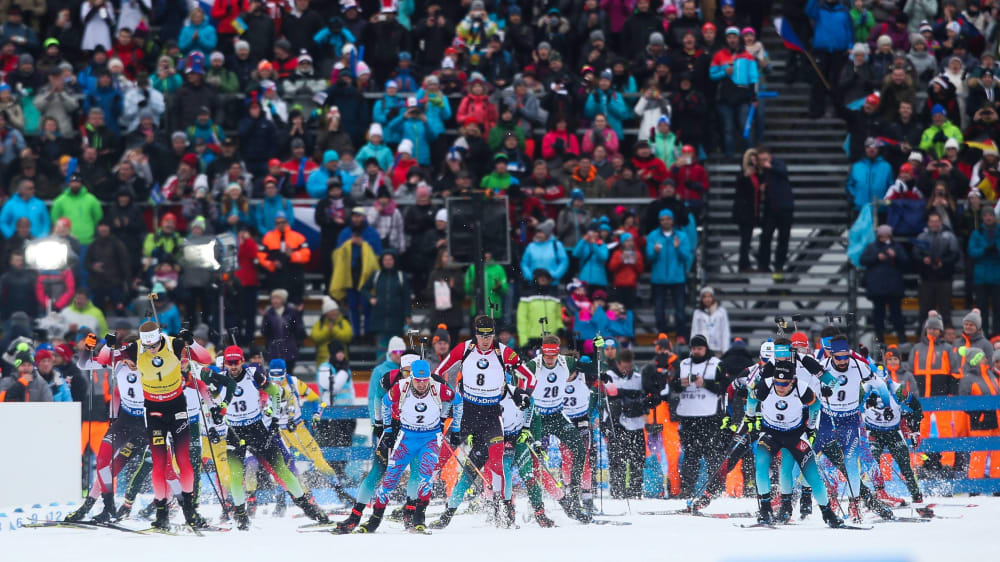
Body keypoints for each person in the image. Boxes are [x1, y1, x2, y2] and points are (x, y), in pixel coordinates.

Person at [431, 316, 535, 525]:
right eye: (481, 335)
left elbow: (530, 377)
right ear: (475, 333)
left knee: (497, 462)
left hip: (491, 416)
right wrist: (447, 396)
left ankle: (504, 510)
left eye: (489, 335)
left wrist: (525, 394)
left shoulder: (504, 352)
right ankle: (422, 499)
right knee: (442, 456)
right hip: (466, 413)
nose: (485, 340)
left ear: (493, 334)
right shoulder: (465, 349)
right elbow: (437, 373)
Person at [218, 346, 328, 530]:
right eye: (230, 362)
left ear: (242, 361)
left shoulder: (253, 374)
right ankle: (241, 514)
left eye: (236, 362)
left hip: (256, 428)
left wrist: (275, 418)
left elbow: (276, 393)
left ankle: (307, 506)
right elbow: (202, 390)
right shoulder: (220, 378)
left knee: (282, 469)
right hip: (235, 432)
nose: (233, 366)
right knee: (237, 476)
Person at [358, 360, 461, 534]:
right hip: (406, 438)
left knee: (425, 478)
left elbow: (457, 401)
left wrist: (452, 426)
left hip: (429, 438)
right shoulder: (401, 386)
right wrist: (388, 430)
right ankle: (374, 520)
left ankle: (419, 518)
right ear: (411, 377)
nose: (421, 385)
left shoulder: (437, 387)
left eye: (425, 380)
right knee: (390, 479)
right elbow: (385, 402)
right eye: (418, 381)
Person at [744, 359, 844, 527]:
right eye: (778, 382)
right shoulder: (766, 385)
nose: (781, 387)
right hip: (770, 433)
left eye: (785, 383)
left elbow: (816, 405)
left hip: (795, 435)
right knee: (761, 465)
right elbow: (752, 399)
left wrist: (811, 427)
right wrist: (750, 418)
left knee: (812, 475)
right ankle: (766, 510)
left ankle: (828, 514)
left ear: (793, 380)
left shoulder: (802, 387)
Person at [817, 335, 895, 521]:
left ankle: (854, 504)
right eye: (839, 357)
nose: (843, 361)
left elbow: (879, 384)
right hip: (828, 419)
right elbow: (808, 388)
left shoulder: (858, 365)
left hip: (850, 419)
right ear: (832, 355)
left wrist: (886, 404)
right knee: (824, 462)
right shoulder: (823, 366)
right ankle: (830, 500)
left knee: (851, 463)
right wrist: (821, 391)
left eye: (846, 356)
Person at [522, 335, 592, 521]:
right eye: (547, 355)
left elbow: (590, 368)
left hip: (558, 415)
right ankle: (539, 505)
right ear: (542, 352)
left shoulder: (567, 362)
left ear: (558, 352)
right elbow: (515, 381)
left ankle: (574, 493)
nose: (550, 359)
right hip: (538, 418)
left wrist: (597, 352)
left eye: (553, 354)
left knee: (579, 450)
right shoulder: (533, 365)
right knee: (535, 462)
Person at [864, 347, 924, 503]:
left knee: (905, 465)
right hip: (873, 431)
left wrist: (915, 429)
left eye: (883, 380)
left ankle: (917, 496)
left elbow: (917, 406)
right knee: (871, 462)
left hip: (893, 431)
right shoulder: (865, 389)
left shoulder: (896, 390)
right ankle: (876, 494)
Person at [669, 334, 726, 498]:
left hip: (710, 416)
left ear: (706, 349)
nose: (696, 352)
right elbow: (672, 385)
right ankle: (687, 489)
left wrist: (705, 383)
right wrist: (682, 383)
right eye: (693, 349)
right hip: (688, 416)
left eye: (699, 349)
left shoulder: (717, 364)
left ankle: (714, 490)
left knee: (712, 454)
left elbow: (724, 387)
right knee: (690, 456)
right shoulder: (684, 364)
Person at [602, 348, 647, 499]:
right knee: (616, 459)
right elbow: (607, 395)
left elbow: (645, 396)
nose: (626, 369)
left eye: (629, 366)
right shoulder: (609, 376)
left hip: (636, 424)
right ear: (618, 363)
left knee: (637, 459)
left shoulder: (638, 378)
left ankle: (635, 491)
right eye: (624, 366)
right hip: (616, 423)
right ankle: (617, 490)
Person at [860, 224, 909, 343]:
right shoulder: (872, 247)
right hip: (877, 289)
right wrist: (877, 258)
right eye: (882, 236)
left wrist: (895, 256)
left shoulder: (897, 247)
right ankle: (879, 339)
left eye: (887, 236)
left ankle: (901, 338)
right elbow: (863, 260)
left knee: (896, 314)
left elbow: (906, 262)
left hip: (893, 288)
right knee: (878, 315)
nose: (884, 238)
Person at [646, 209, 691, 335]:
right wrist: (654, 251)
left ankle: (681, 334)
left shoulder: (681, 236)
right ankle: (662, 334)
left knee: (680, 309)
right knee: (659, 309)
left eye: (667, 219)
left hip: (677, 278)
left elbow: (686, 256)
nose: (665, 222)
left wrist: (678, 248)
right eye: (662, 219)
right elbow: (649, 256)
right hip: (658, 279)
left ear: (672, 220)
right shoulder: (653, 236)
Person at [915, 212, 961, 328]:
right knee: (924, 311)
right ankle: (922, 339)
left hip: (944, 279)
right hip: (927, 279)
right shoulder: (922, 237)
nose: (934, 224)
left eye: (936, 221)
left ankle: (948, 340)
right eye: (932, 221)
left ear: (940, 222)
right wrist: (923, 259)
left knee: (945, 311)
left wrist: (943, 262)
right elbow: (915, 254)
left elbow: (955, 255)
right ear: (928, 223)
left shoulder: (949, 236)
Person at [257, 212, 310, 306]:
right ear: (275, 224)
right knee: (276, 308)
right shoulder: (268, 237)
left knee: (294, 309)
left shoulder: (298, 237)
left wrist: (292, 255)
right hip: (275, 279)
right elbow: (261, 256)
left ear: (287, 222)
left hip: (294, 279)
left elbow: (306, 256)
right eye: (278, 223)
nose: (281, 224)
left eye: (283, 222)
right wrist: (271, 264)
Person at [755, 147, 793, 274]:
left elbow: (783, 171)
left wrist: (770, 166)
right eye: (761, 160)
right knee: (766, 236)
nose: (763, 162)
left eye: (765, 159)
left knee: (783, 238)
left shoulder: (778, 164)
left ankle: (779, 264)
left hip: (784, 207)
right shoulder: (761, 172)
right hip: (770, 208)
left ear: (770, 157)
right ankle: (763, 264)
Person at [969, 207, 1000, 336]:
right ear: (982, 217)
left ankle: (997, 334)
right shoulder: (976, 233)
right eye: (986, 215)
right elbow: (972, 251)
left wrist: (997, 249)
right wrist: (985, 250)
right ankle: (983, 333)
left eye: (990, 215)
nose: (988, 218)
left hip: (997, 276)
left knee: (998, 308)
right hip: (981, 277)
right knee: (982, 309)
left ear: (994, 217)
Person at [260, 289, 305, 375]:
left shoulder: (292, 312)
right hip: (274, 350)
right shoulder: (269, 314)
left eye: (277, 298)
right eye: (273, 298)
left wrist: (298, 314)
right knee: (275, 375)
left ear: (283, 300)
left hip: (289, 349)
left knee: (289, 374)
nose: (275, 301)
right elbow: (263, 332)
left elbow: (298, 330)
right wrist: (266, 319)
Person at [690, 287, 731, 353]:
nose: (707, 299)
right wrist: (693, 350)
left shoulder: (721, 312)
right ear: (701, 299)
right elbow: (694, 331)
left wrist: (725, 350)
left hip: (718, 349)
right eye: (704, 297)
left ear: (713, 297)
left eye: (709, 296)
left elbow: (725, 332)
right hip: (702, 350)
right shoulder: (697, 313)